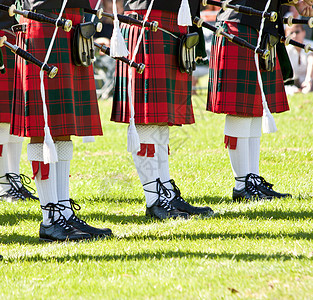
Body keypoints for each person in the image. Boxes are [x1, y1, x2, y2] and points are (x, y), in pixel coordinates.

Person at [11, 0, 112, 241]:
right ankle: (50, 219)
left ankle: (64, 211)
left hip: (73, 20)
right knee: (42, 125)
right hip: (43, 19)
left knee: (63, 126)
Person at [112, 0, 214, 219]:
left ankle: (166, 191)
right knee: (147, 117)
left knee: (160, 118)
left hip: (173, 19)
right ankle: (154, 199)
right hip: (146, 19)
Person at [207, 0, 313, 201]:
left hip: (261, 26)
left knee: (255, 108)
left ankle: (251, 179)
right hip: (238, 24)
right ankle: (241, 185)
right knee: (240, 109)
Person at [0, 0, 38, 202]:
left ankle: (13, 179)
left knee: (14, 119)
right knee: (2, 121)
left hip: (12, 35)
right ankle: (3, 185)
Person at [285, 24, 313, 94]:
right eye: (291, 33)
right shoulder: (286, 50)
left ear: (303, 33)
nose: (294, 35)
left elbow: (311, 61)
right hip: (292, 82)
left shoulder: (311, 45)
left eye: (297, 32)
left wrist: (308, 80)